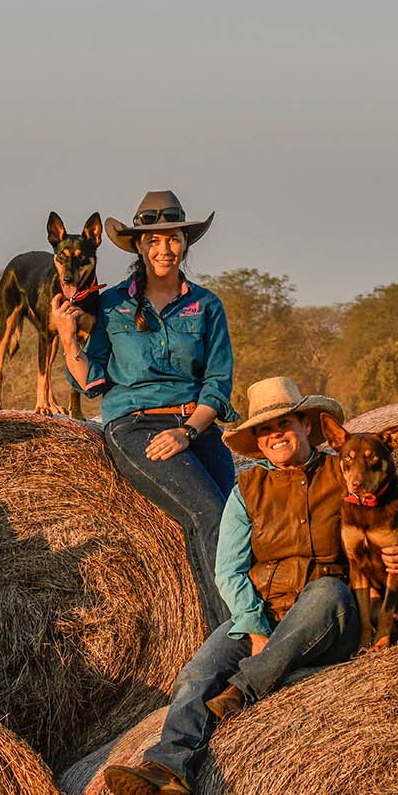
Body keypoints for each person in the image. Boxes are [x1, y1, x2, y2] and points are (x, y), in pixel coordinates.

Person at [102, 377, 398, 795]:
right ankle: (169, 768)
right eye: (265, 429)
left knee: (324, 592)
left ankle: (245, 689)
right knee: (196, 673)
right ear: (256, 441)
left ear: (304, 426)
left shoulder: (348, 474)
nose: (275, 434)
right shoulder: (247, 491)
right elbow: (229, 567)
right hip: (267, 609)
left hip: (334, 613)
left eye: (284, 424)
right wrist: (254, 624)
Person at [50, 190, 237, 622]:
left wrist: (188, 431)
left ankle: (238, 631)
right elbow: (93, 380)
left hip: (197, 426)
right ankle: (234, 640)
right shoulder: (113, 304)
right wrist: (66, 335)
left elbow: (218, 382)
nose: (163, 249)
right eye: (153, 240)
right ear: (138, 246)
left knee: (234, 523)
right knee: (207, 513)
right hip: (135, 428)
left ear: (185, 244)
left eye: (172, 239)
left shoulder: (206, 305)